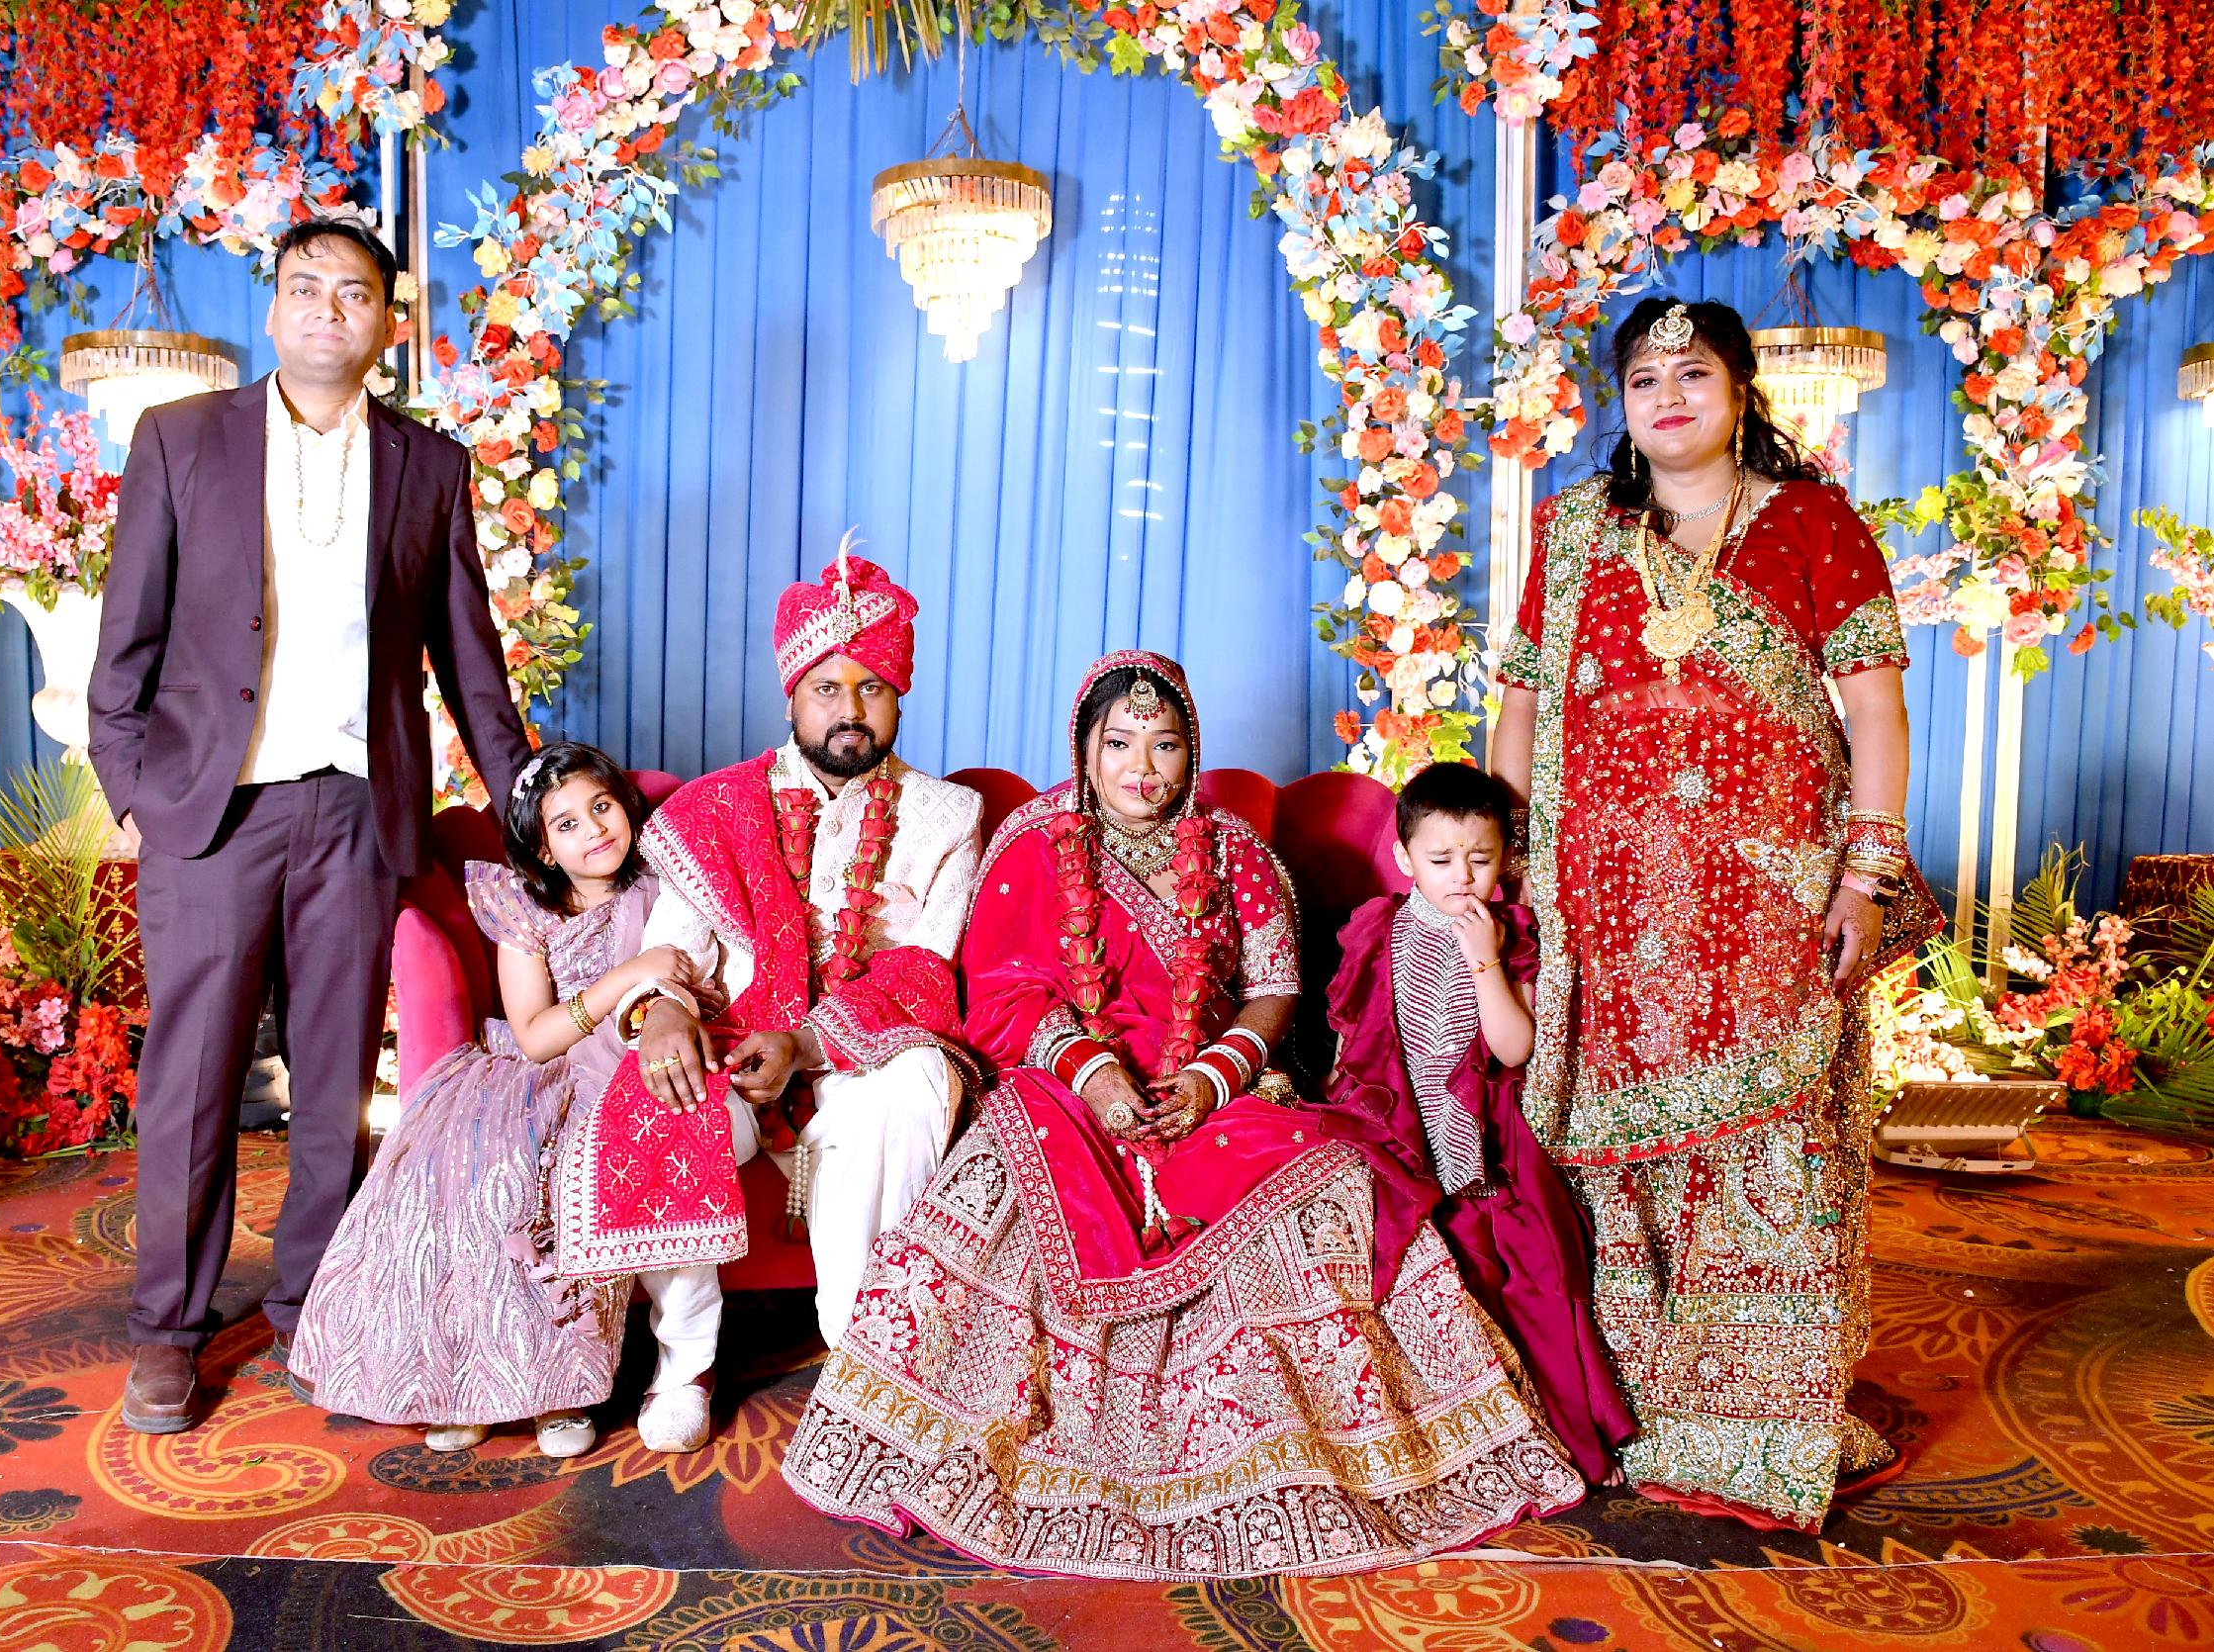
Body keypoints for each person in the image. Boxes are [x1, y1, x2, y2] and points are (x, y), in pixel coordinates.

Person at [784, 653, 1583, 1579]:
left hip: (1216, 1084)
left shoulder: (1233, 847)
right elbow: (1000, 992)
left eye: (1163, 745)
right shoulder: (1034, 845)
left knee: (1331, 1179)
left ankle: (1308, 1446)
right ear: (1084, 750)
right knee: (1004, 1179)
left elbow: (1274, 989)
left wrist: (1214, 1075)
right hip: (1066, 1084)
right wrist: (1090, 1072)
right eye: (1118, 744)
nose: (1141, 768)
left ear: (1190, 749)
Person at [1487, 297, 1942, 1530]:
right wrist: (1503, 861)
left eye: (1693, 373)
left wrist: (1865, 873)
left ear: (1741, 390)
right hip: (1605, 907)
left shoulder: (1814, 522)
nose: (1668, 397)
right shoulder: (1575, 530)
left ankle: (1763, 1416)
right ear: (1622, 403)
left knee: (1770, 1141)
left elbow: (1876, 710)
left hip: (1764, 904)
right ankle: (1627, 1402)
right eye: (1644, 378)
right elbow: (1524, 707)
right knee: (1614, 1150)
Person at [88, 217, 531, 1434]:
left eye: (354, 292)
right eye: (305, 287)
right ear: (274, 308)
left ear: (388, 321)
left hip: (356, 811)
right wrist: (135, 787)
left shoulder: (431, 467)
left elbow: (470, 661)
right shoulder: (182, 438)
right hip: (211, 812)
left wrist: (524, 802)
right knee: (191, 1079)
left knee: (333, 1081)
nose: (328, 308)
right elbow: (125, 642)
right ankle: (169, 1328)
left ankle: (312, 1307)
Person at [539, 538, 981, 1455]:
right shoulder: (714, 809)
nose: (849, 709)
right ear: (790, 697)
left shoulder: (947, 816)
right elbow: (673, 950)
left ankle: (865, 1367)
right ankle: (685, 1364)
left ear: (899, 697)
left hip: (867, 1049)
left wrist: (809, 1044)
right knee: (660, 1089)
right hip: (733, 1038)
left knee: (908, 1090)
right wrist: (663, 1010)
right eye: (826, 687)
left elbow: (927, 968)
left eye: (871, 687)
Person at [290, 744, 707, 1456]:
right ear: (544, 851)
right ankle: (460, 1385)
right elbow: (537, 1036)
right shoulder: (526, 909)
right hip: (528, 1069)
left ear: (626, 808)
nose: (594, 830)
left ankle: (557, 1393)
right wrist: (626, 975)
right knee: (470, 1175)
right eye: (566, 824)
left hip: (616, 1073)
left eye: (602, 807)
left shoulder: (664, 889)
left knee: (571, 1180)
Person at [1313, 759, 1636, 1487]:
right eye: (1440, 860)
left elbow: (1513, 1047)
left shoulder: (1509, 933)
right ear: (1403, 859)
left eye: (1480, 859)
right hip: (1399, 1132)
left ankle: (1559, 1435)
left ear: (1506, 859)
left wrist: (1484, 960)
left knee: (1527, 1279)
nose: (1461, 876)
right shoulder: (1379, 929)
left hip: (1486, 1145)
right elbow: (1354, 1039)